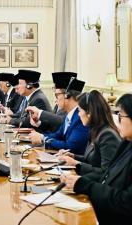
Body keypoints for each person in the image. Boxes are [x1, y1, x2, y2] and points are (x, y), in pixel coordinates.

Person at [61, 93, 132, 225]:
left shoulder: (108, 135)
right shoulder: (126, 143)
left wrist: (84, 184)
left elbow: (126, 201)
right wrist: (76, 180)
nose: (118, 120)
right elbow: (107, 174)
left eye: (121, 116)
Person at [58, 90, 121, 175]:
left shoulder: (107, 135)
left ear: (89, 112)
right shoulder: (96, 130)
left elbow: (106, 173)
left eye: (80, 110)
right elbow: (92, 160)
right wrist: (73, 156)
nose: (79, 114)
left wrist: (76, 164)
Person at [29, 78, 89, 155]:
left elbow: (70, 146)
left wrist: (43, 139)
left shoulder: (80, 117)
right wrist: (40, 136)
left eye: (57, 95)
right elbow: (58, 135)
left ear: (67, 95)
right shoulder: (69, 114)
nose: (55, 100)